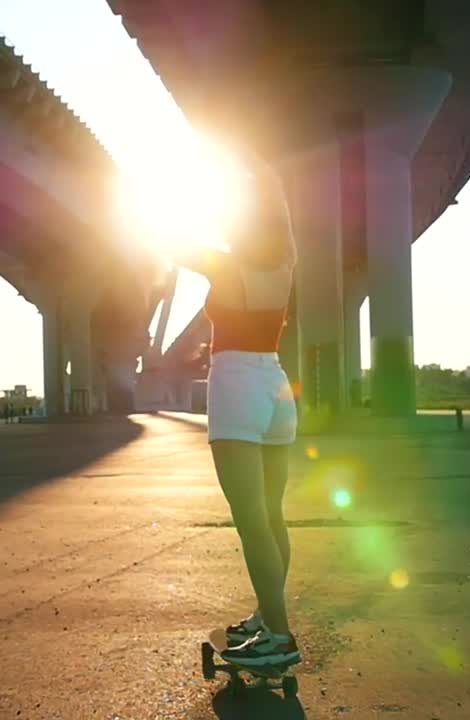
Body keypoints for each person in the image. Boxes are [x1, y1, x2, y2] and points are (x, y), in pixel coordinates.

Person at [171, 162, 300, 670]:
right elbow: (281, 221)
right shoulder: (288, 257)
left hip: (235, 384)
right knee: (272, 516)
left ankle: (281, 636)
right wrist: (271, 184)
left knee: (251, 523)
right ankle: (267, 619)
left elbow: (166, 242)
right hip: (275, 383)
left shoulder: (223, 265)